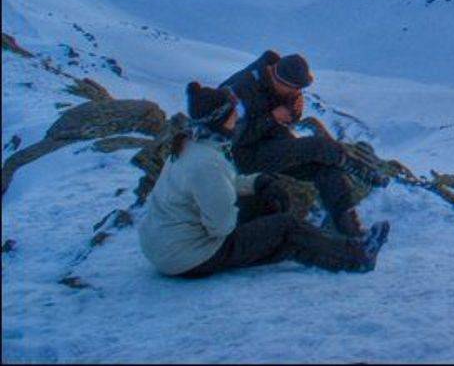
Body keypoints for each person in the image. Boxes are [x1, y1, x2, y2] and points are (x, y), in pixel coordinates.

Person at [138, 81, 389, 277]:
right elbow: (221, 227)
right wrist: (254, 223)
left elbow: (209, 188)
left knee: (269, 206)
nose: (238, 116)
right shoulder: (207, 163)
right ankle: (357, 257)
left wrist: (256, 183)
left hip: (164, 247)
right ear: (221, 119)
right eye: (233, 112)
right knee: (286, 227)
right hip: (189, 257)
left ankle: (302, 243)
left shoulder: (189, 146)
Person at [219, 50, 378, 237]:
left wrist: (291, 111)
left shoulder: (281, 82)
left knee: (326, 168)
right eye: (294, 89)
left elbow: (291, 115)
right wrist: (271, 118)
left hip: (271, 143)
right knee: (316, 146)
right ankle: (356, 167)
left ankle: (349, 229)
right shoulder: (241, 89)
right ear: (278, 79)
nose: (297, 93)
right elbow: (230, 137)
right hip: (242, 156)